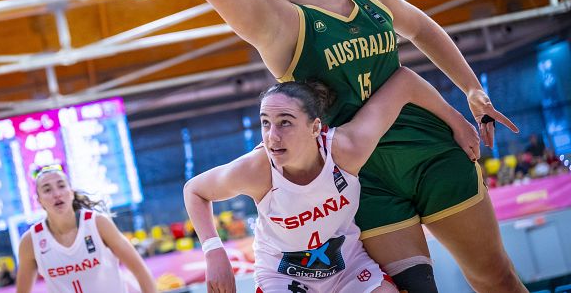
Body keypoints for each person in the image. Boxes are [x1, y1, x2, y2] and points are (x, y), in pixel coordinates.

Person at [67, 0, 524, 292]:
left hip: (430, 148)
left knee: (495, 277)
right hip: (362, 175)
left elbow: (422, 30)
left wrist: (470, 90)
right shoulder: (276, 22)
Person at [185, 68, 472, 292]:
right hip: (283, 275)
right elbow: (195, 190)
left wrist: (458, 122)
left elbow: (404, 82)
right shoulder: (255, 169)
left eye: (285, 122)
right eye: (265, 122)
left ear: (315, 128)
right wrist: (213, 251)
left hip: (347, 266)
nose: (272, 136)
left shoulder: (346, 150)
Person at [15, 165, 157, 293]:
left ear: (71, 192)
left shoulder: (97, 223)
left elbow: (141, 271)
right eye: (47, 189)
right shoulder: (31, 241)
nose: (56, 194)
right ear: (39, 200)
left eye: (61, 186)